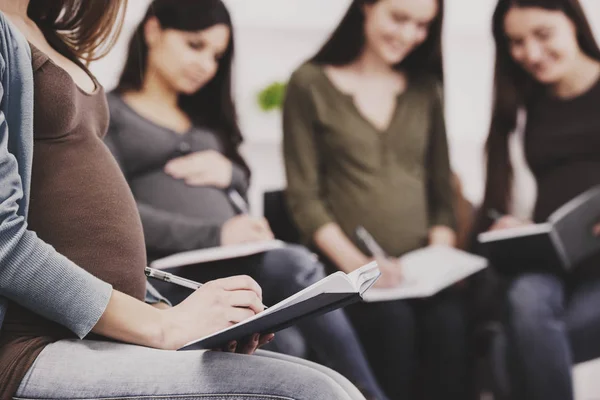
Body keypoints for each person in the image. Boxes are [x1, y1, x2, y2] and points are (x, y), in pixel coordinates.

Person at [0, 1, 369, 399]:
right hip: (36, 341)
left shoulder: (41, 29)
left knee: (333, 384)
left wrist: (168, 315)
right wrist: (161, 326)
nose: (206, 65)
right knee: (309, 391)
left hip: (117, 321)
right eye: (195, 46)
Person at [105, 1, 387, 399]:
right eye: (195, 45)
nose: (206, 64)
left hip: (239, 262)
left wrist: (230, 172)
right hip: (174, 272)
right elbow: (117, 214)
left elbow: (239, 185)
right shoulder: (109, 113)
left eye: (217, 55)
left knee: (287, 343)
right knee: (294, 267)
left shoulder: (206, 121)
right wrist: (218, 234)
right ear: (152, 31)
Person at [282, 0, 469, 399]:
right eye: (399, 18)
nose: (408, 35)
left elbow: (441, 194)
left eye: (421, 25)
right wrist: (361, 268)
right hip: (351, 273)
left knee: (451, 324)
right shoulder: (310, 84)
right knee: (393, 323)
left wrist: (437, 265)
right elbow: (305, 199)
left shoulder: (425, 89)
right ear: (366, 7)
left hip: (420, 274)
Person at [476, 0, 600, 399]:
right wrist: (518, 226)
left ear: (574, 24)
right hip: (556, 263)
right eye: (516, 42)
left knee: (506, 346)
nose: (530, 53)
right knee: (525, 298)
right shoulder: (526, 102)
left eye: (543, 35)